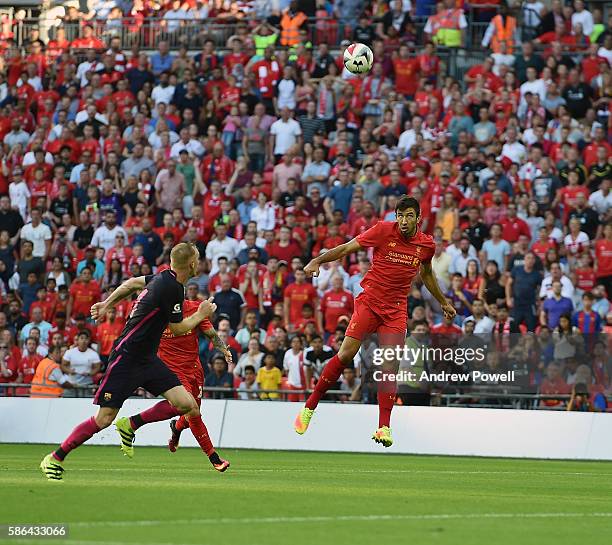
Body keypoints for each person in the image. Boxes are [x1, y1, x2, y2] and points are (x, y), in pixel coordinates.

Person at [40, 243, 220, 480]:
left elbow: (133, 282)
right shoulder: (173, 287)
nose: (200, 262)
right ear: (192, 264)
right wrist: (201, 314)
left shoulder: (163, 278)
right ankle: (55, 457)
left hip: (147, 359)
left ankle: (131, 424)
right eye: (198, 258)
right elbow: (177, 329)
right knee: (104, 419)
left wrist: (107, 304)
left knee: (187, 404)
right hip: (126, 358)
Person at [294, 196, 456, 447]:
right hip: (370, 302)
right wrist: (318, 260)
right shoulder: (382, 230)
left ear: (418, 218)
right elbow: (347, 248)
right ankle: (309, 407)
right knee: (346, 354)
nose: (403, 221)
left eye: (409, 216)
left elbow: (426, 274)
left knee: (390, 365)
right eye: (400, 215)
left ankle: (384, 427)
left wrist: (443, 302)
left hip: (396, 310)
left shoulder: (425, 245)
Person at [123, 288, 232, 461]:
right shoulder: (156, 313)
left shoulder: (196, 308)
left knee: (191, 415)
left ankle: (176, 429)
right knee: (192, 410)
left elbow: (211, 334)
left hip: (194, 369)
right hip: (171, 370)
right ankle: (213, 457)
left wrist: (224, 349)